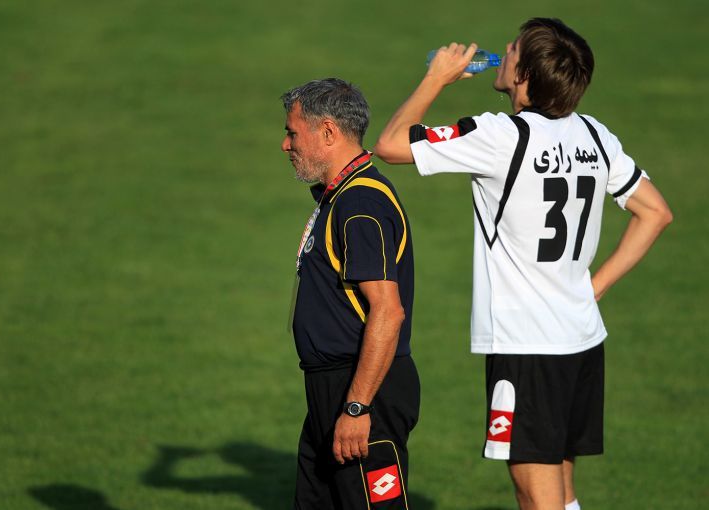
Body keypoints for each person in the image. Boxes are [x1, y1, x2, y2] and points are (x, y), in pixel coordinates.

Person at [373, 18, 672, 510]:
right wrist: (592, 288)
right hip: (581, 338)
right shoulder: (595, 136)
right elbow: (655, 213)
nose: (505, 50)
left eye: (513, 48)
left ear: (524, 74)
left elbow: (389, 144)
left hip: (527, 346)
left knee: (536, 493)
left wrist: (436, 78)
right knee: (561, 489)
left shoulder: (499, 135)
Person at [281, 78, 420, 509]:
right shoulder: (339, 197)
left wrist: (357, 408)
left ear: (327, 132)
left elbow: (388, 312)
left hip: (362, 389)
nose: (286, 145)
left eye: (292, 133)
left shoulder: (360, 204)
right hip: (333, 389)